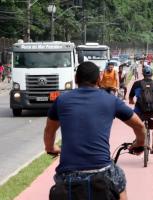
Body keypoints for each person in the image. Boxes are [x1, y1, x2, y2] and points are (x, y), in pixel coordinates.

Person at [44, 61, 146, 200]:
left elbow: (49, 131)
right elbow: (139, 126)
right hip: (102, 170)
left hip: (68, 173)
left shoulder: (61, 100)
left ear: (76, 79)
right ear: (99, 80)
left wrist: (51, 148)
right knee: (119, 179)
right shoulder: (111, 100)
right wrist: (139, 143)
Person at [129, 66, 153, 154]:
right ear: (152, 74)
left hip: (139, 112)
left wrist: (131, 102)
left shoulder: (136, 84)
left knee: (135, 124)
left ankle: (138, 139)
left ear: (143, 74)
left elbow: (130, 97)